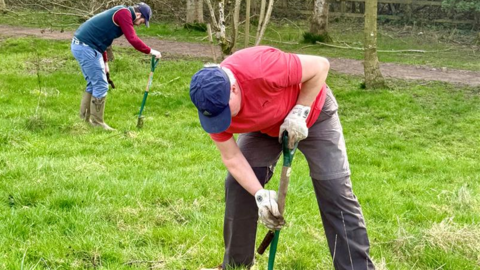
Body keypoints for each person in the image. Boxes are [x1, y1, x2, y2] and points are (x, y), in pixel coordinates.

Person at [190, 46, 375, 270]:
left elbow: (320, 66)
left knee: (335, 190)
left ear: (234, 88)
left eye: (225, 112)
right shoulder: (211, 107)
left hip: (314, 114)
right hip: (263, 127)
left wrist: (300, 111)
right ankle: (235, 266)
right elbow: (231, 158)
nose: (223, 120)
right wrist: (259, 194)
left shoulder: (261, 67)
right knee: (238, 186)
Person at [71, 2, 161, 130]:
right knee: (101, 85)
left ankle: (84, 121)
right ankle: (97, 123)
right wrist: (151, 51)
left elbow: (104, 39)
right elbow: (133, 39)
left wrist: (105, 62)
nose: (140, 24)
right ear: (138, 14)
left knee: (93, 83)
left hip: (85, 46)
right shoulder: (123, 14)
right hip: (86, 47)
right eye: (142, 21)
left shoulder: (121, 12)